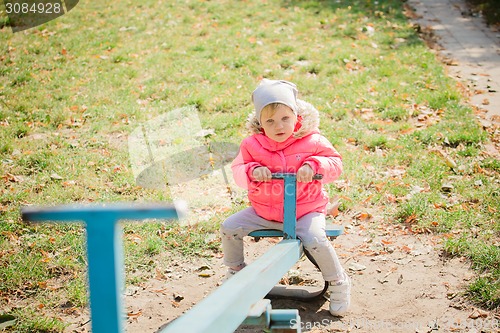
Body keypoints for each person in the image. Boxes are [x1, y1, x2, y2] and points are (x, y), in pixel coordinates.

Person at [220, 79, 351, 316]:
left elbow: (336, 164)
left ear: (296, 115)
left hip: (305, 208)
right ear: (260, 122)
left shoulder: (313, 140)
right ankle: (236, 272)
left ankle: (338, 282)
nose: (278, 126)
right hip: (264, 211)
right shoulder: (251, 144)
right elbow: (237, 172)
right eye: (269, 121)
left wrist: (314, 165)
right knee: (229, 227)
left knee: (315, 239)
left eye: (284, 118)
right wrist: (251, 171)